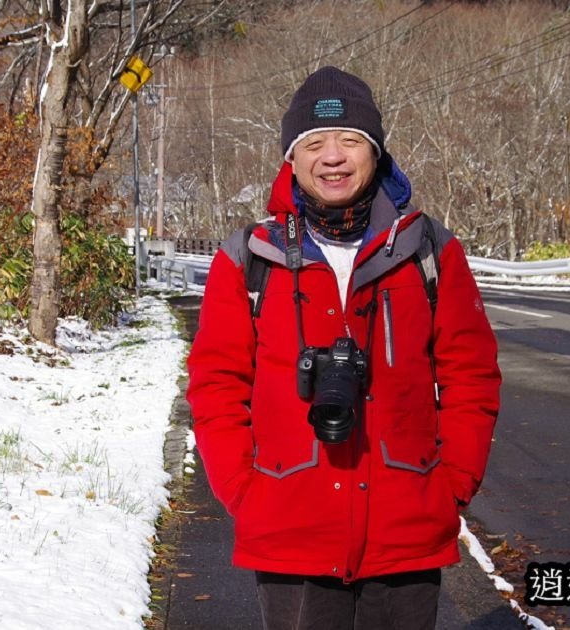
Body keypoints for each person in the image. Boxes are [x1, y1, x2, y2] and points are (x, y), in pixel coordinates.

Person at [186, 66, 501, 630]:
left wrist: (450, 487)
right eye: (314, 143)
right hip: (289, 529)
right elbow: (215, 387)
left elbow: (471, 376)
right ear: (291, 159)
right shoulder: (248, 258)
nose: (332, 157)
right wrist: (244, 493)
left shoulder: (428, 249)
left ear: (375, 152)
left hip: (405, 529)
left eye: (350, 140)